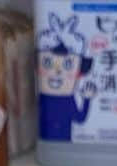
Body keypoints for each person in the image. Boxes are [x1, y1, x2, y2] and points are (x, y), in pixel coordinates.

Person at [36, 13, 94, 143]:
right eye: (47, 63)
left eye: (67, 65)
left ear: (79, 71)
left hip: (64, 144)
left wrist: (87, 98)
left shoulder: (68, 100)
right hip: (51, 147)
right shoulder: (43, 98)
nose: (57, 72)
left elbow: (80, 118)